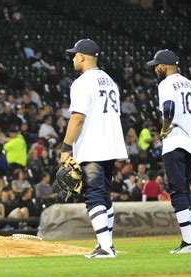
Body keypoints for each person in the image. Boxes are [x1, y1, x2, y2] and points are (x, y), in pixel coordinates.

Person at [147, 49, 191, 254]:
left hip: (176, 142)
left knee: (178, 191)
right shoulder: (189, 83)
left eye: (156, 65)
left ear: (164, 66)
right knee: (185, 191)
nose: (155, 69)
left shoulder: (166, 83)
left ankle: (190, 243)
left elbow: (167, 107)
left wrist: (165, 127)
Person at [61, 39, 127, 258]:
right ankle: (107, 245)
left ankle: (106, 248)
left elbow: (78, 118)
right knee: (104, 195)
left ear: (82, 56)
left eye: (74, 54)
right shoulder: (109, 80)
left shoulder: (82, 82)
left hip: (93, 145)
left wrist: (66, 147)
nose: (72, 58)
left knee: (94, 195)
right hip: (110, 144)